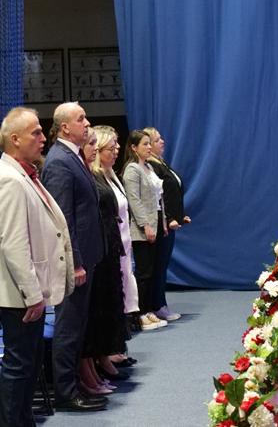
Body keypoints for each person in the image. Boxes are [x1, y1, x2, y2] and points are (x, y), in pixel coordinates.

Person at [0, 107, 75, 426]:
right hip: (19, 296)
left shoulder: (25, 174)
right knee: (20, 367)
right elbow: (13, 244)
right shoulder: (10, 180)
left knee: (28, 367)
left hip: (28, 294)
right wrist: (32, 295)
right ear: (14, 139)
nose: (44, 138)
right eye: (36, 133)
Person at [41, 102, 108, 411]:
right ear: (65, 127)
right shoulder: (58, 161)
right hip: (74, 263)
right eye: (81, 119)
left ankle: (75, 384)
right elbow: (63, 219)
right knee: (68, 327)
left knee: (78, 325)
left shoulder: (72, 156)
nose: (87, 122)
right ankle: (66, 393)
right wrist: (76, 262)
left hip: (87, 256)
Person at [93, 125, 139, 367]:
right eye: (111, 147)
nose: (117, 150)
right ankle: (110, 351)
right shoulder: (97, 177)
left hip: (123, 244)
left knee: (123, 295)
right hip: (110, 247)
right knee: (113, 298)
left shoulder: (112, 175)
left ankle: (117, 347)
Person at [143, 127, 190, 321]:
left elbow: (172, 193)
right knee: (158, 266)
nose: (162, 141)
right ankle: (157, 305)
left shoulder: (160, 163)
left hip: (170, 222)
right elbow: (159, 197)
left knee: (162, 265)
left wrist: (179, 216)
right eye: (156, 140)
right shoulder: (151, 167)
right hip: (162, 223)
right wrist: (169, 218)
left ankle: (159, 303)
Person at [122, 130, 168, 330]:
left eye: (150, 143)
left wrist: (162, 222)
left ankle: (149, 310)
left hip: (155, 223)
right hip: (141, 229)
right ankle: (139, 313)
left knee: (152, 271)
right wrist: (146, 225)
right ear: (134, 147)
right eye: (145, 144)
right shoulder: (132, 170)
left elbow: (158, 199)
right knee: (143, 272)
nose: (149, 147)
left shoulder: (148, 167)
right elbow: (134, 200)